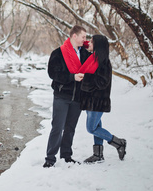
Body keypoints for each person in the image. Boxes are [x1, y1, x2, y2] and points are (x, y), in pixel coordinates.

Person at [43, 25, 97, 168]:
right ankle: (50, 159)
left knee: (70, 128)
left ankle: (66, 156)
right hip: (62, 96)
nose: (85, 40)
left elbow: (94, 65)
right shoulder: (58, 53)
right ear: (74, 36)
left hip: (78, 97)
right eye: (83, 37)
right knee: (57, 127)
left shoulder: (85, 54)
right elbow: (52, 74)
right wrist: (72, 77)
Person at [79, 35, 127, 163]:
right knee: (97, 125)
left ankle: (119, 143)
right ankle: (98, 155)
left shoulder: (103, 62)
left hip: (98, 101)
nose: (90, 43)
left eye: (92, 42)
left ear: (98, 45)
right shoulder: (93, 58)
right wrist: (81, 43)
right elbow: (85, 48)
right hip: (91, 100)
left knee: (91, 128)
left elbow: (102, 82)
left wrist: (85, 78)